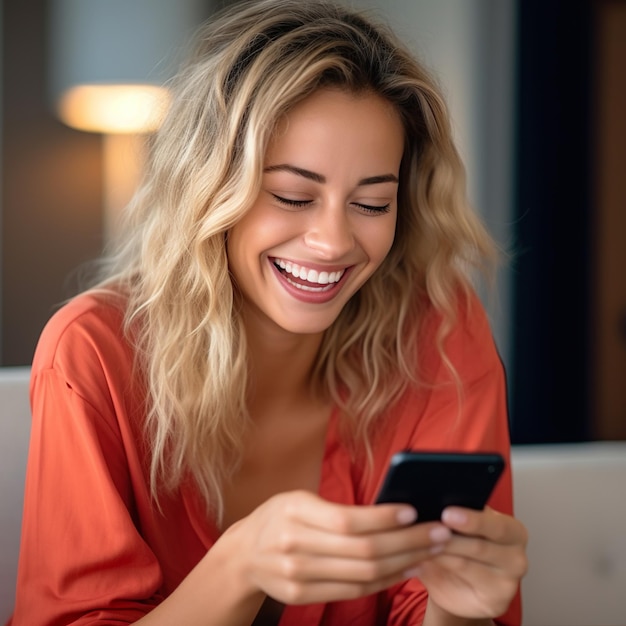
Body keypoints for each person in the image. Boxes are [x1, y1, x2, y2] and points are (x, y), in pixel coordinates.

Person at [9, 0, 528, 624]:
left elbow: (437, 606)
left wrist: (457, 609)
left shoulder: (439, 335)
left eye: (371, 204)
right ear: (209, 187)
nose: (334, 242)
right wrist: (242, 563)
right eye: (291, 195)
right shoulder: (92, 354)